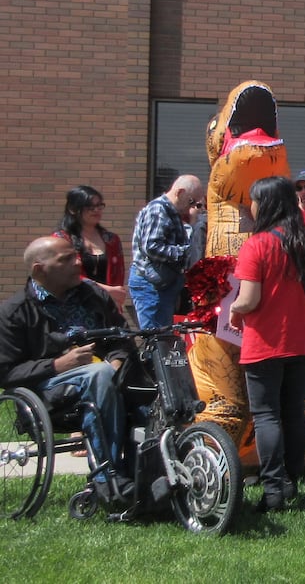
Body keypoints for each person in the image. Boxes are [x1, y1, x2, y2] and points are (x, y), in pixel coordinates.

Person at [227, 177, 305, 513]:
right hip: (303, 341)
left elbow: (249, 300)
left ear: (265, 204)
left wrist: (233, 309)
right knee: (293, 412)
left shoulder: (257, 245)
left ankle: (274, 491)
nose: (249, 206)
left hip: (265, 342)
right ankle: (291, 480)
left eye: (252, 200)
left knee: (266, 416)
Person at [0, 236, 131, 497]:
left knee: (153, 375)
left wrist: (117, 360)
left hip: (107, 377)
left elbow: (122, 337)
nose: (78, 262)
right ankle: (109, 477)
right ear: (40, 269)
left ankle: (156, 473)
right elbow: (6, 373)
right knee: (99, 374)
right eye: (67, 259)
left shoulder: (92, 296)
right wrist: (57, 364)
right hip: (48, 392)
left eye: (77, 255)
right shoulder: (15, 312)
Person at [128, 174, 204, 329]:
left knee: (163, 336)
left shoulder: (172, 212)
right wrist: (187, 252)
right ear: (180, 193)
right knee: (155, 337)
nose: (192, 207)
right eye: (191, 201)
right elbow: (152, 247)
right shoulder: (158, 209)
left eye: (196, 204)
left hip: (161, 284)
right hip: (151, 286)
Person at [53, 185, 127, 308]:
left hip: (106, 305)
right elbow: (65, 275)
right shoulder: (61, 239)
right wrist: (105, 290)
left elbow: (118, 275)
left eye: (99, 206)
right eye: (90, 207)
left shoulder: (112, 239)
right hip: (73, 305)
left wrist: (115, 296)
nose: (96, 210)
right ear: (72, 209)